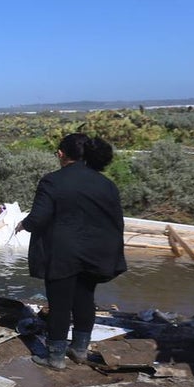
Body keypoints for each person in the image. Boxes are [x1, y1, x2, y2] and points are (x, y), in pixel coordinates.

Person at [17, 133, 126, 370]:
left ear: (61, 154)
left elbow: (39, 217)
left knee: (59, 304)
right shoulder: (106, 184)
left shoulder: (52, 181)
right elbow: (116, 221)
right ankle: (79, 350)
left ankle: (55, 357)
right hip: (96, 252)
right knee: (85, 299)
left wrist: (22, 224)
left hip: (62, 253)